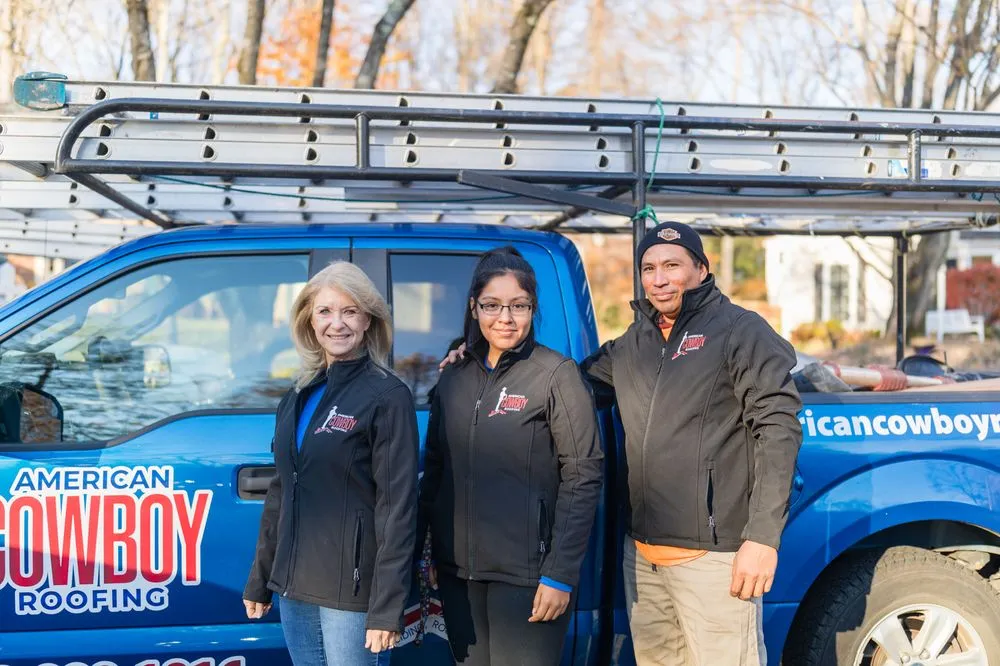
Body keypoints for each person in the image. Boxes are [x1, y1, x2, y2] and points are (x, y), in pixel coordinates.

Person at [580, 221, 803, 665]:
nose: (658, 279)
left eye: (672, 265)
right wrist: (481, 359)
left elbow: (778, 428)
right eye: (648, 268)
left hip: (714, 557)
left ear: (702, 269)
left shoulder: (740, 330)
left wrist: (762, 538)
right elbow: (569, 385)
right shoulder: (633, 341)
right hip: (644, 555)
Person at [418, 246, 603, 666]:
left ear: (532, 308)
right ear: (474, 306)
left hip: (529, 577)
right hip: (458, 575)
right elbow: (436, 470)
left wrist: (560, 573)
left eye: (518, 306)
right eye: (492, 305)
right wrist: (430, 552)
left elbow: (583, 475)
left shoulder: (556, 375)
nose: (505, 318)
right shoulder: (454, 377)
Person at [243, 261, 420, 666]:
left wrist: (387, 608)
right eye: (325, 311)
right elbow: (281, 491)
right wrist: (261, 577)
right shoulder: (298, 395)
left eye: (350, 311)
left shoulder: (387, 396)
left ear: (368, 320)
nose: (336, 324)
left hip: (351, 592)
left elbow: (398, 509)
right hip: (294, 586)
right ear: (308, 319)